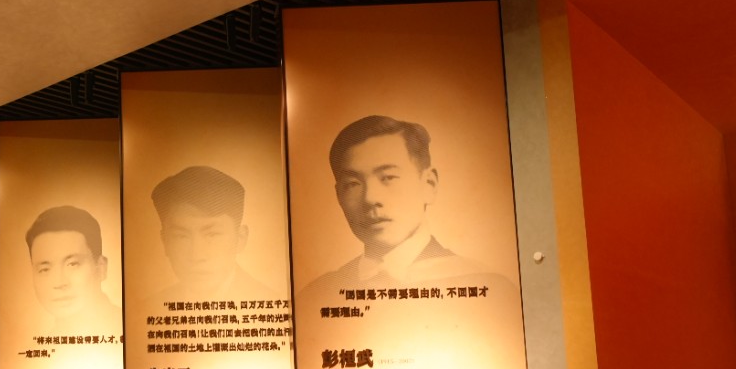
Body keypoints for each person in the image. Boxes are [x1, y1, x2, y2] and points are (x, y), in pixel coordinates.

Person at [303, 115, 487, 294]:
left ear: (429, 184)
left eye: (388, 177)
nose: (370, 198)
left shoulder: (482, 284)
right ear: (339, 196)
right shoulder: (317, 295)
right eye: (352, 184)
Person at [150, 166, 268, 302]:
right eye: (181, 236)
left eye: (212, 235)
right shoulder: (149, 307)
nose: (196, 256)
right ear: (165, 242)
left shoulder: (270, 299)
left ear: (240, 239)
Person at [24, 206, 120, 331]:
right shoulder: (46, 340)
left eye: (73, 264)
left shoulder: (129, 326)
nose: (59, 283)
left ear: (101, 268)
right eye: (45, 269)